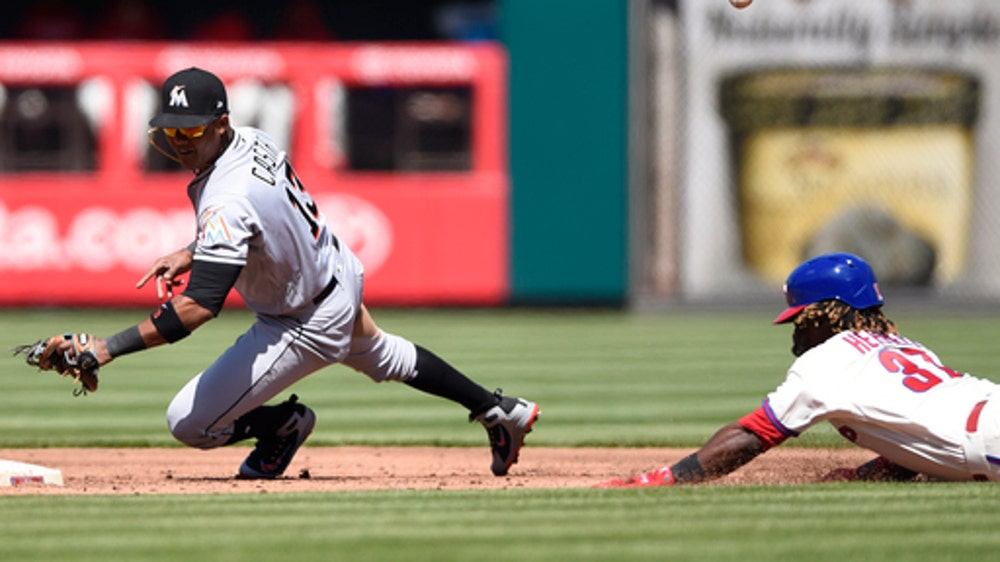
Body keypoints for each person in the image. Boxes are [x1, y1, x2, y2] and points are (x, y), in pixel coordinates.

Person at [42, 67, 539, 479]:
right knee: (385, 355)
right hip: (335, 272)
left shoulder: (227, 196)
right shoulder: (252, 140)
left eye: (191, 130)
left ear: (220, 123)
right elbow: (262, 220)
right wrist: (196, 249)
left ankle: (283, 424)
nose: (181, 141)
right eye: (173, 131)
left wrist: (107, 347)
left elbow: (197, 308)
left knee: (188, 423)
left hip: (304, 317)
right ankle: (501, 411)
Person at [598, 252, 1000, 487]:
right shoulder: (905, 345)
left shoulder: (827, 362)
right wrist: (863, 477)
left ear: (826, 314)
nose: (796, 332)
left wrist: (666, 479)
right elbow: (914, 443)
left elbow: (749, 436)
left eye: (800, 319)